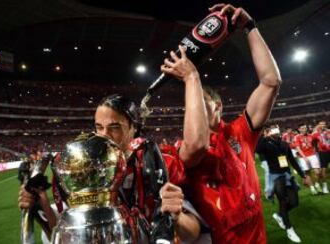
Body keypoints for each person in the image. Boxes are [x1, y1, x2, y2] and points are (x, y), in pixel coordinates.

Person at [161, 3, 282, 243]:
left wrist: (249, 26)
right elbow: (197, 145)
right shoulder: (184, 148)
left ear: (219, 106)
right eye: (190, 103)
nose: (193, 108)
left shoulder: (241, 131)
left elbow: (271, 82)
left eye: (200, 102)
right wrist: (190, 78)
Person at [19, 94, 202, 243]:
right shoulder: (85, 168)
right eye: (99, 127)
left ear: (134, 129)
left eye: (114, 128)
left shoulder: (163, 163)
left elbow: (193, 233)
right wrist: (41, 204)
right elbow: (70, 235)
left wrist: (176, 216)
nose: (104, 136)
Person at [256, 125, 305, 243]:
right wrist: (264, 136)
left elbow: (292, 161)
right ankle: (289, 228)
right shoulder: (266, 143)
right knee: (283, 201)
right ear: (268, 132)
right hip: (275, 177)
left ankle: (279, 215)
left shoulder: (284, 144)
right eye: (272, 129)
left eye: (277, 128)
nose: (275, 131)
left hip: (287, 175)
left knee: (294, 202)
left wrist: (303, 175)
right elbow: (257, 148)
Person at [294, 123, 321, 195]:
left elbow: (315, 142)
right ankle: (312, 188)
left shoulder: (310, 135)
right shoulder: (297, 137)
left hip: (312, 155)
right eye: (302, 128)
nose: (304, 129)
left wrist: (315, 149)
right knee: (307, 172)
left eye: (305, 128)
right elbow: (298, 148)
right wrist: (304, 157)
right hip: (303, 157)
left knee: (317, 172)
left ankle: (317, 184)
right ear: (299, 129)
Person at [312, 120, 330, 194]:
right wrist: (315, 150)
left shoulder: (328, 131)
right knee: (323, 169)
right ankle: (324, 186)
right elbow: (312, 142)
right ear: (318, 125)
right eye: (321, 124)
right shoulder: (315, 134)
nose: (323, 125)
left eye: (324, 124)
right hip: (323, 153)